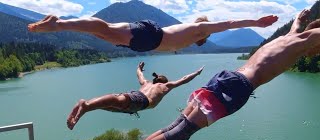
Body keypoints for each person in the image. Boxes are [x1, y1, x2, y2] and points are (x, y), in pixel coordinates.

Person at [107, 9, 316, 140]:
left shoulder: (291, 38)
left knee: (176, 126)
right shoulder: (304, 41)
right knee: (180, 133)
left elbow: (298, 28)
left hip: (228, 77)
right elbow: (309, 35)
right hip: (238, 87)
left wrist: (299, 17)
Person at [28, 15, 278, 52]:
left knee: (103, 34)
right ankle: (57, 23)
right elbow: (230, 23)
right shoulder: (201, 28)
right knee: (105, 29)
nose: (207, 38)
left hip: (147, 40)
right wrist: (256, 21)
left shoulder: (193, 36)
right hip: (151, 36)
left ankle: (60, 23)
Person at [67, 62, 204, 130]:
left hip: (135, 102)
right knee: (117, 100)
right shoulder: (164, 86)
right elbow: (183, 79)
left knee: (111, 103)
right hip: (141, 102)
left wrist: (139, 67)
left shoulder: (146, 83)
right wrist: (196, 73)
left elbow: (139, 74)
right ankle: (85, 105)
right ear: (164, 82)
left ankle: (84, 104)